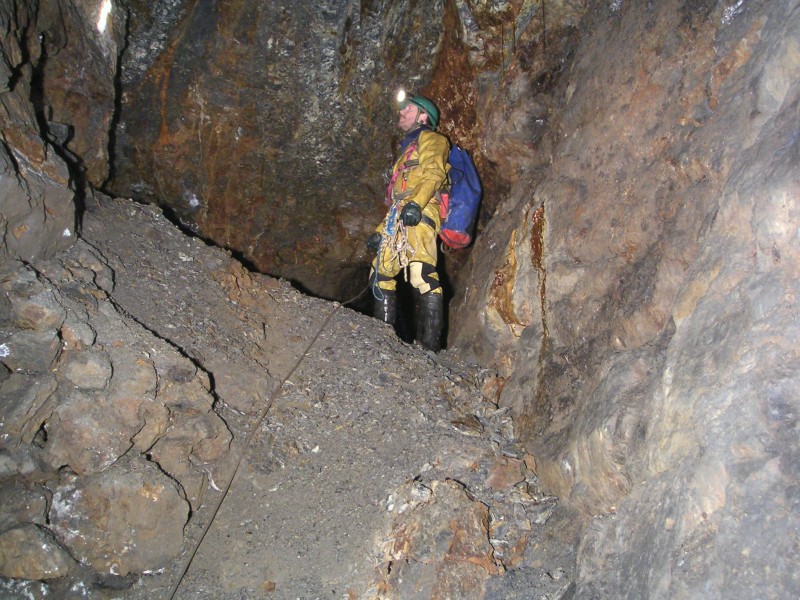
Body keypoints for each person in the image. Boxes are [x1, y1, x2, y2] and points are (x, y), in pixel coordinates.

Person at [366, 92, 449, 351]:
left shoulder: (433, 139)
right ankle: (384, 342)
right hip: (399, 215)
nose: (401, 113)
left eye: (408, 109)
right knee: (379, 275)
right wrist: (380, 231)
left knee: (421, 273)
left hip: (421, 211)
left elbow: (434, 173)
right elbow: (396, 200)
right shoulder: (405, 153)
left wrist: (416, 204)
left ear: (423, 116)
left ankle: (430, 347)